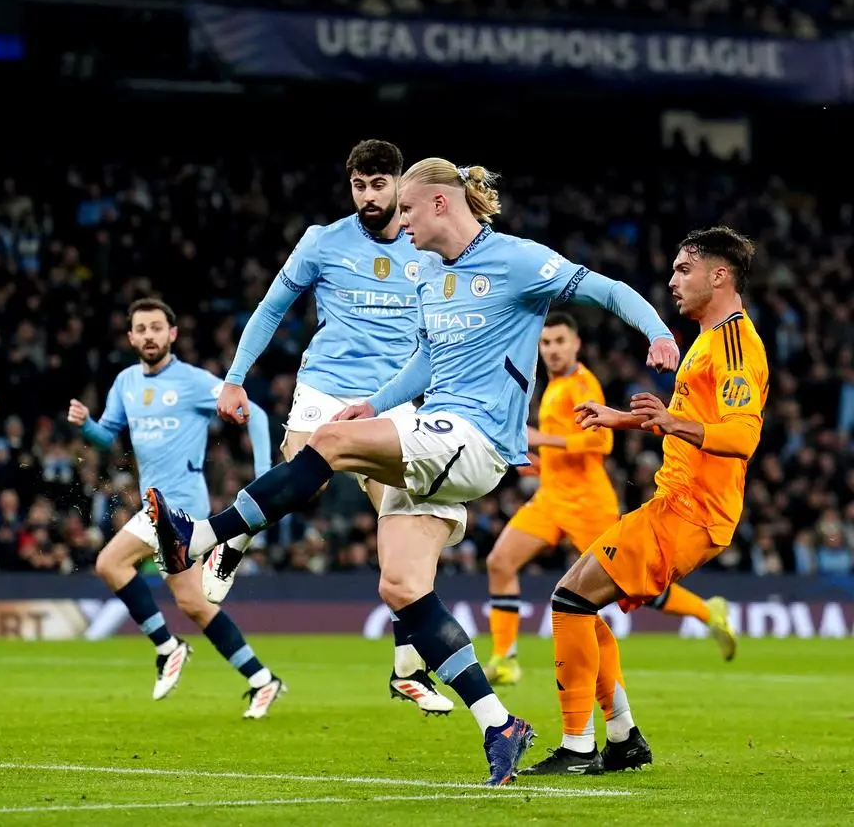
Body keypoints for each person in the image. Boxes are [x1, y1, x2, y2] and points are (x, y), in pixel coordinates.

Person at [149, 158, 680, 785]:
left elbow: (607, 289)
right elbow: (428, 359)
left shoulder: (514, 260)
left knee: (328, 443)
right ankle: (497, 723)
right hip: (436, 434)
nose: (398, 223)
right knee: (401, 587)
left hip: (474, 436)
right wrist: (374, 404)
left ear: (436, 205)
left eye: (405, 209)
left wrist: (658, 333)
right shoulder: (429, 272)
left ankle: (204, 538)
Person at [210, 138, 452, 716]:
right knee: (305, 477)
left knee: (404, 520)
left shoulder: (430, 247)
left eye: (378, 185)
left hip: (392, 399)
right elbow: (271, 308)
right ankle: (232, 539)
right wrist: (235, 377)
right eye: (358, 186)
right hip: (324, 386)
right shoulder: (323, 241)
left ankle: (406, 668)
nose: (368, 196)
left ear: (400, 185)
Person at [524, 227, 766, 776]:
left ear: (719, 275)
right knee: (578, 601)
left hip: (692, 511)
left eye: (684, 269)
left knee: (570, 600)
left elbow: (742, 437)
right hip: (674, 503)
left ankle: (580, 744)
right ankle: (621, 738)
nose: (673, 280)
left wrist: (670, 420)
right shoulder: (707, 340)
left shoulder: (735, 345)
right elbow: (687, 423)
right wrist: (626, 418)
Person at [484, 312, 736, 686]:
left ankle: (706, 610)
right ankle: (505, 660)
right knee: (500, 562)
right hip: (551, 499)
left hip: (588, 504)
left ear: (576, 345)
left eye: (560, 342)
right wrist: (536, 462)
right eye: (546, 343)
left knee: (629, 585)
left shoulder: (582, 384)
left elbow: (601, 441)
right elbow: (564, 449)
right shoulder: (552, 386)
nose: (552, 350)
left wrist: (541, 440)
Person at [68, 297, 285, 718]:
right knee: (194, 604)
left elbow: (253, 413)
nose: (149, 335)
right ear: (131, 337)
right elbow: (106, 437)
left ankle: (168, 648)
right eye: (141, 329)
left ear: (172, 334)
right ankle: (262, 679)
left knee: (110, 564)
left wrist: (263, 474)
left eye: (156, 328)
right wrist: (86, 424)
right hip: (155, 505)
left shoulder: (191, 381)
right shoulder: (126, 383)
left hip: (178, 507)